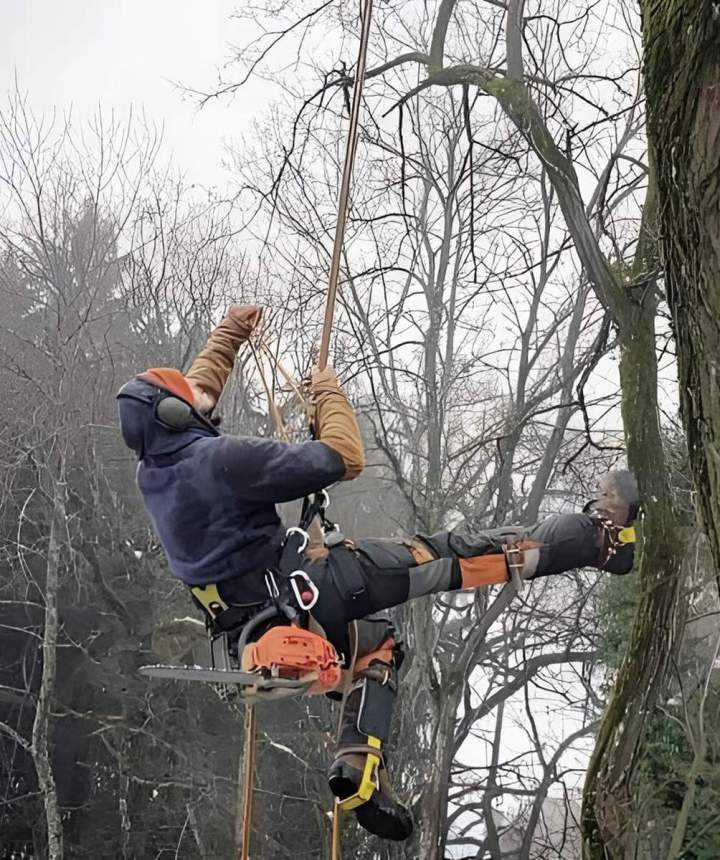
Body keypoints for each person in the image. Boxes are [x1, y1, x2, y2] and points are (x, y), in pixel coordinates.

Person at [117, 305, 639, 842]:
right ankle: (599, 540)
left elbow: (194, 390)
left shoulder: (153, 471)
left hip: (250, 619)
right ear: (177, 417)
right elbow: (345, 456)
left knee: (378, 645)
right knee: (446, 557)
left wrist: (229, 335)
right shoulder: (222, 460)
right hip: (311, 588)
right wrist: (328, 394)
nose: (207, 403)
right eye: (193, 403)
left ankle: (359, 765)